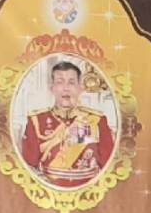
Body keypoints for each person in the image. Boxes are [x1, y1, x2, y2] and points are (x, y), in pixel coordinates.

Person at [20, 60, 115, 188]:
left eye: (71, 82)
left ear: (80, 88)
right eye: (60, 82)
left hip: (88, 191)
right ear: (52, 88)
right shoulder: (36, 121)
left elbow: (109, 166)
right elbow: (29, 166)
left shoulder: (97, 120)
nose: (66, 88)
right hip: (49, 192)